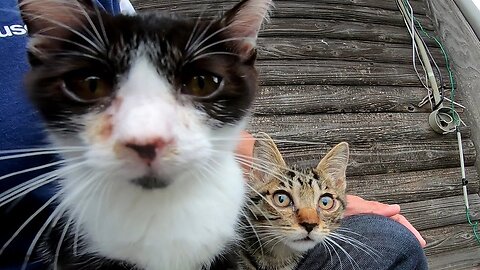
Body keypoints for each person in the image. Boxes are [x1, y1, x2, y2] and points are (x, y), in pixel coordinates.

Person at [0, 0, 427, 269]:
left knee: (388, 239)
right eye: (93, 87)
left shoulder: (111, 6)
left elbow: (236, 141)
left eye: (199, 86)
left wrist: (321, 199)